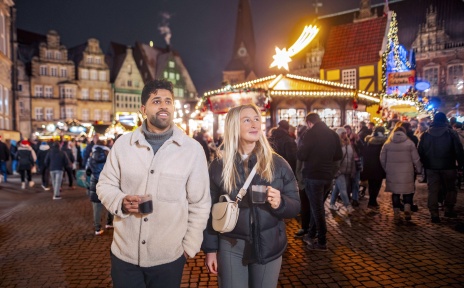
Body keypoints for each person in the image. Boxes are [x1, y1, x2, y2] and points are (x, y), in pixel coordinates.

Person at [96, 79, 211, 288]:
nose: (164, 105)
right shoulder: (123, 145)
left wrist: (189, 247)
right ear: (143, 109)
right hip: (125, 256)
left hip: (169, 258)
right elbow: (104, 184)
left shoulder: (192, 150)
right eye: (156, 101)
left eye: (168, 101)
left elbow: (200, 203)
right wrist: (120, 201)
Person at [202, 104, 300, 287]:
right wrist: (210, 249)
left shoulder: (278, 163)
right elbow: (207, 210)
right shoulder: (218, 166)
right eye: (247, 120)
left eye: (256, 119)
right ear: (233, 126)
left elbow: (295, 205)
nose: (254, 124)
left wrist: (281, 203)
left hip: (268, 244)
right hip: (230, 245)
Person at [297, 112, 342, 251]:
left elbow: (302, 154)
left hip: (313, 174)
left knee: (317, 209)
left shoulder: (310, 134)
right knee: (317, 207)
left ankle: (322, 241)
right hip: (327, 175)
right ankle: (311, 234)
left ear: (309, 122)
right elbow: (338, 155)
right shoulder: (332, 134)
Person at [418, 112, 464, 223]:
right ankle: (448, 208)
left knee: (433, 190)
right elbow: (458, 150)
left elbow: (420, 151)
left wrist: (425, 163)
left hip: (431, 167)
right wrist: (460, 164)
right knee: (451, 188)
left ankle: (434, 213)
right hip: (449, 166)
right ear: (445, 121)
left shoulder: (425, 134)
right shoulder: (451, 133)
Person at [380, 127, 422, 222]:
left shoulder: (387, 144)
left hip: (392, 172)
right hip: (407, 171)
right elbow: (416, 159)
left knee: (395, 193)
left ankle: (396, 213)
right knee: (408, 191)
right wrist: (419, 169)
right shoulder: (409, 143)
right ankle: (407, 208)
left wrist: (386, 169)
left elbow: (382, 158)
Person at [86, 139, 113, 235]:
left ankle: (97, 228)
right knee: (110, 202)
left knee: (96, 205)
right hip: (107, 181)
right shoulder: (109, 155)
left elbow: (87, 171)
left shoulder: (91, 156)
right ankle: (109, 223)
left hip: (95, 181)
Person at [329, 127, 355, 213]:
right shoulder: (336, 145)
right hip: (339, 171)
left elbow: (352, 158)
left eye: (345, 133)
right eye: (342, 133)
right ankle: (348, 206)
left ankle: (332, 203)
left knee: (338, 188)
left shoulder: (349, 144)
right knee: (343, 189)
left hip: (347, 170)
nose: (344, 135)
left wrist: (352, 169)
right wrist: (336, 170)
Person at [362, 127, 387, 209]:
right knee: (377, 184)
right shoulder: (384, 142)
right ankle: (373, 200)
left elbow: (364, 153)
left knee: (371, 183)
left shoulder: (368, 141)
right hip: (379, 165)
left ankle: (372, 200)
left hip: (369, 165)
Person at [294, 125, 311, 238]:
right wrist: (300, 182)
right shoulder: (302, 148)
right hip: (305, 181)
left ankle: (311, 229)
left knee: (314, 207)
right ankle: (305, 228)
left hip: (313, 179)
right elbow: (298, 167)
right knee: (305, 206)